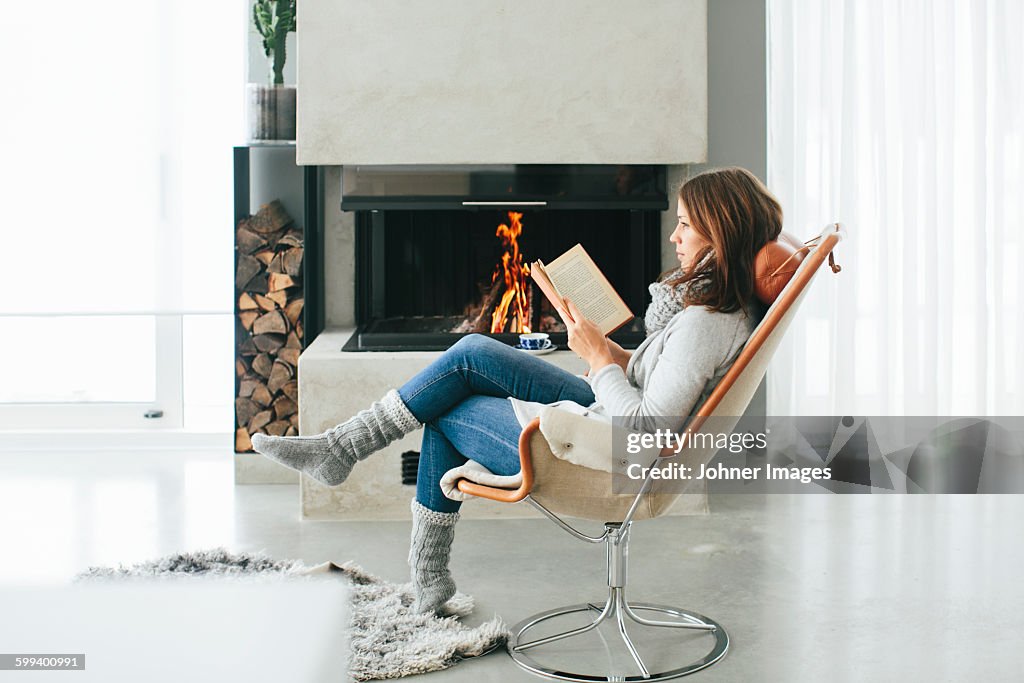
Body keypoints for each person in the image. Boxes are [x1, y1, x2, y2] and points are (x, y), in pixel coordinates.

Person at [252, 166, 783, 615]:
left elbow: (645, 434)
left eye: (686, 226)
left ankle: (409, 548)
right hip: (603, 413)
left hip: (612, 455)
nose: (674, 236)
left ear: (720, 234)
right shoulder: (714, 310)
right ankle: (343, 450)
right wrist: (605, 349)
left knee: (444, 409)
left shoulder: (704, 324)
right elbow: (654, 384)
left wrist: (599, 361)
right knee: (474, 352)